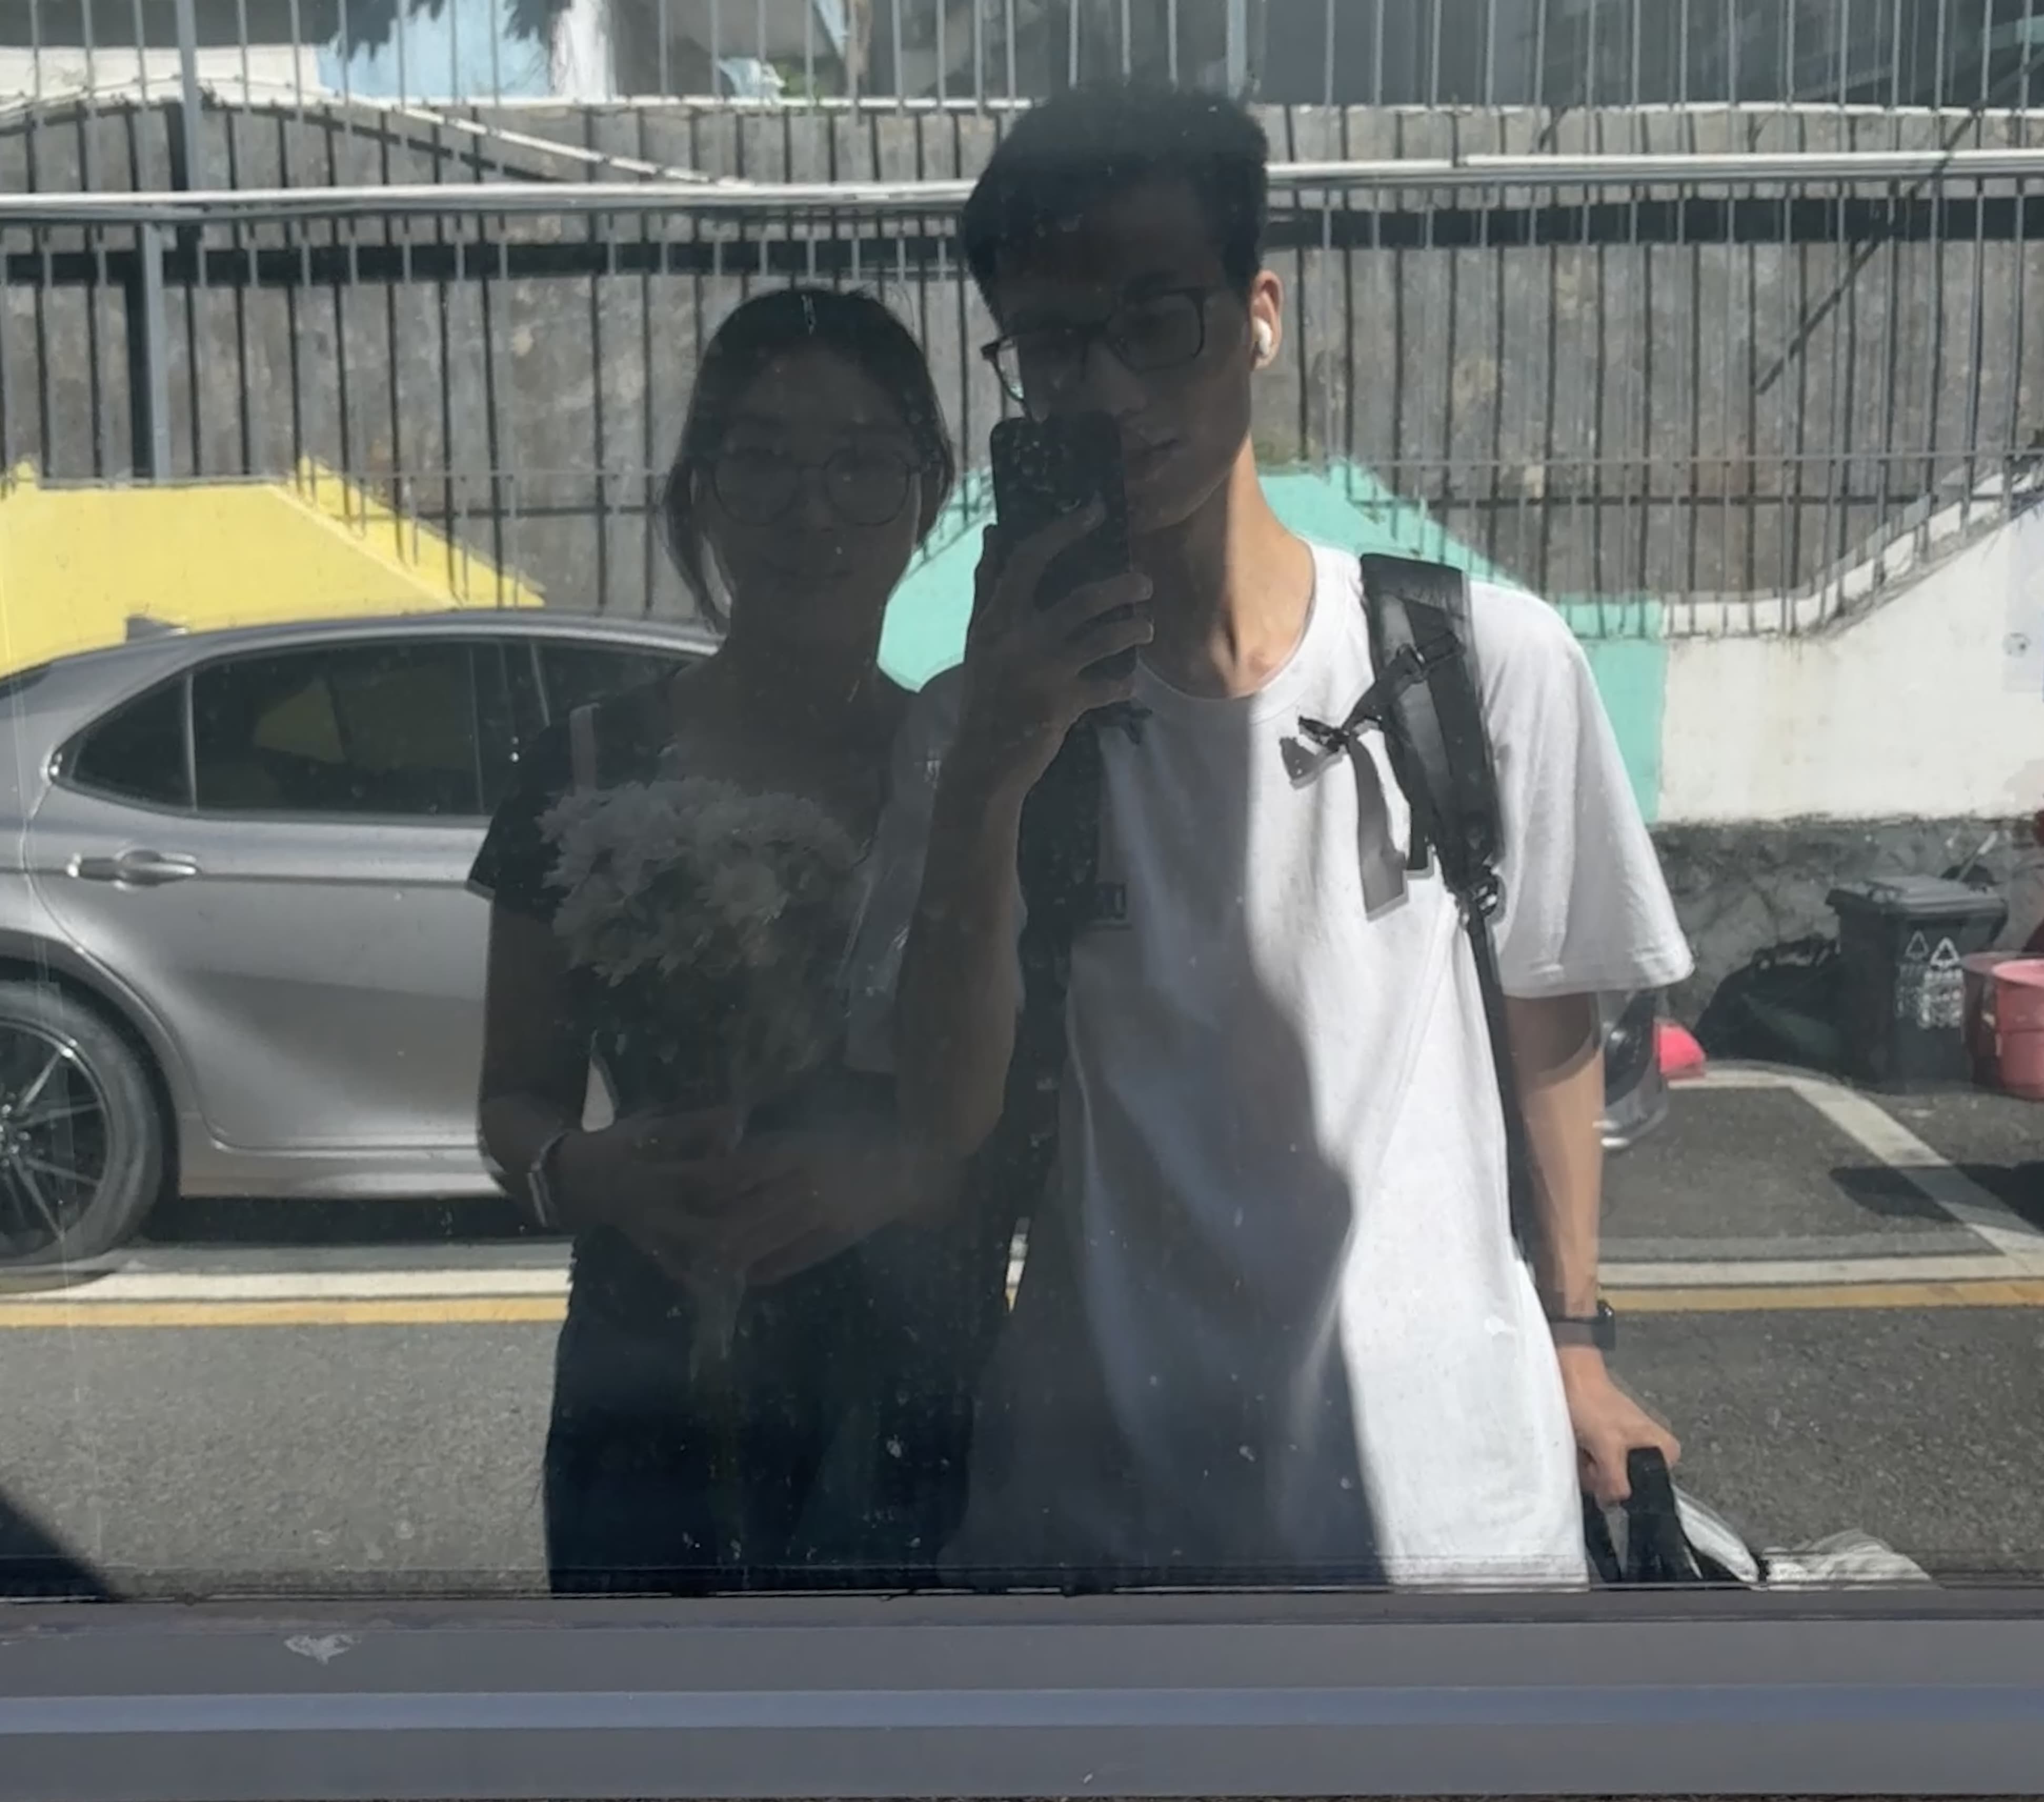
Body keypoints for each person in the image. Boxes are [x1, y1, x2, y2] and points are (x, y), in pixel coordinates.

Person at [884, 84, 1696, 1587]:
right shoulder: (968, 725)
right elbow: (940, 1120)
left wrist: (1575, 1342)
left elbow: (1547, 1022)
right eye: (1051, 345)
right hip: (1098, 1532)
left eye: (1155, 321)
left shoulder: (1480, 663)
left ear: (1257, 316)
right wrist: (993, 763)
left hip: (1450, 1519)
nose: (1106, 389)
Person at [471, 286, 989, 1594]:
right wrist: (582, 1172)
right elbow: (513, 1098)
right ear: (699, 490)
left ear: (927, 496)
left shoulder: (970, 771)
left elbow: (1037, 1112)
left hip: (904, 1371)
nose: (810, 512)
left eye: (860, 464)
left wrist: (898, 1173)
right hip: (646, 1372)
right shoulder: (581, 765)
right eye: (760, 461)